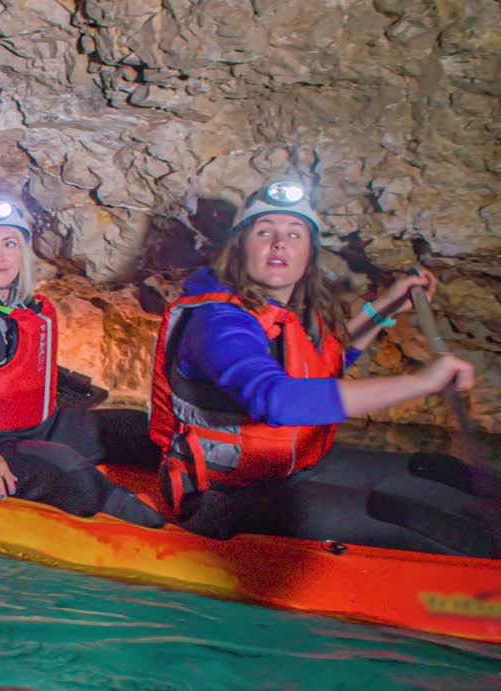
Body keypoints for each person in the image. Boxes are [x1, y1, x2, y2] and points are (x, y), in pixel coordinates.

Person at [150, 177, 500, 557]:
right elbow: (277, 400)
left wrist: (388, 306)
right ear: (239, 248)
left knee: (441, 473)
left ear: (309, 254)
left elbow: (331, 361)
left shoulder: (289, 314)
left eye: (294, 233)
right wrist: (419, 383)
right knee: (436, 529)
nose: (280, 243)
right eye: (265, 231)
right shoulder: (219, 321)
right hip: (225, 495)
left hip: (290, 470)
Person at [0, 196, 165, 528]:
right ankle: (162, 533)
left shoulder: (24, 304)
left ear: (22, 251)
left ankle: (200, 493)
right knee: (65, 468)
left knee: (133, 426)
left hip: (38, 424)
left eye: (9, 243)